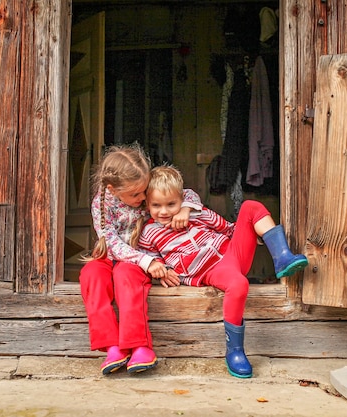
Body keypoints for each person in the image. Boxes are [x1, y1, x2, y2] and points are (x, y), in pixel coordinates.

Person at [134, 165, 308, 378]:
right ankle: (235, 351)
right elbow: (150, 258)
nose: (164, 211)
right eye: (156, 205)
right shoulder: (149, 232)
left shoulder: (196, 213)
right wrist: (163, 269)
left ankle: (282, 257)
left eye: (171, 204)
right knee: (239, 284)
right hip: (212, 271)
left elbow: (228, 228)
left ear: (181, 199)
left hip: (232, 252)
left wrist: (192, 210)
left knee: (251, 206)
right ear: (147, 204)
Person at [79, 144, 202, 375]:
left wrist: (186, 208)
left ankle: (139, 346)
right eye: (135, 194)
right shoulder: (101, 203)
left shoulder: (146, 190)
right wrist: (149, 263)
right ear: (112, 189)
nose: (142, 197)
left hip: (137, 261)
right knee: (90, 274)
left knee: (125, 276)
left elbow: (187, 193)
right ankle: (113, 347)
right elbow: (112, 243)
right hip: (113, 256)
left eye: (144, 191)